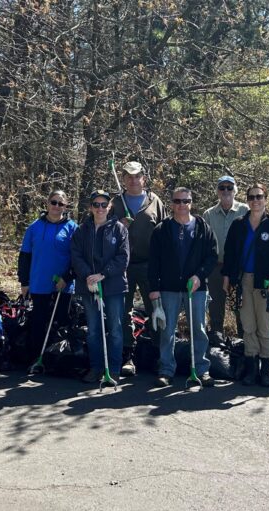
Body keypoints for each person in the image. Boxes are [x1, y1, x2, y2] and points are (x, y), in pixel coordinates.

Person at [149, 186, 218, 387]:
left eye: (186, 201)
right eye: (178, 201)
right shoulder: (161, 230)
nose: (182, 205)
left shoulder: (202, 227)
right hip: (168, 288)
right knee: (167, 331)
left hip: (196, 289)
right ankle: (166, 370)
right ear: (172, 203)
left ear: (191, 203)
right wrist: (154, 289)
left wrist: (199, 276)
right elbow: (154, 262)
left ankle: (202, 369)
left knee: (199, 329)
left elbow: (212, 256)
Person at [222, 183, 269, 387]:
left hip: (265, 283)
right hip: (243, 282)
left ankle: (266, 371)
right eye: (251, 197)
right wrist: (227, 278)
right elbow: (230, 254)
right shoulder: (238, 224)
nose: (255, 201)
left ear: (266, 200)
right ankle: (251, 369)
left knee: (265, 327)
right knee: (248, 326)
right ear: (247, 200)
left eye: (259, 197)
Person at [109, 161, 166, 376]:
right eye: (129, 176)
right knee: (124, 312)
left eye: (137, 176)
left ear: (144, 177)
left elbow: (163, 234)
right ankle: (128, 356)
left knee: (155, 311)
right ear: (123, 178)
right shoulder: (115, 203)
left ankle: (158, 356)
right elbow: (103, 233)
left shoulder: (154, 201)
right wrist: (119, 225)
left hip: (149, 266)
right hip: (122, 266)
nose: (133, 180)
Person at [71, 190, 130, 383]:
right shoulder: (82, 230)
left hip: (113, 286)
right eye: (96, 205)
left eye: (104, 205)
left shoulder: (119, 229)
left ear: (110, 206)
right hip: (88, 286)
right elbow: (76, 255)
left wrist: (103, 275)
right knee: (94, 329)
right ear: (90, 207)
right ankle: (96, 368)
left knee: (115, 329)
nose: (100, 208)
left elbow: (123, 257)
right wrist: (88, 275)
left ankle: (113, 369)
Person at [18, 190, 78, 360]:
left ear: (65, 207)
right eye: (54, 202)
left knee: (61, 321)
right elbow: (25, 256)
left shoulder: (73, 228)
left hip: (63, 285)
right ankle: (36, 358)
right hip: (39, 282)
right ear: (47, 203)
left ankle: (59, 359)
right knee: (38, 321)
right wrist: (24, 281)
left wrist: (67, 278)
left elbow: (77, 259)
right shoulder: (34, 227)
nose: (56, 207)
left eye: (61, 204)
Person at [203, 175, 248, 341]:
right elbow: (205, 244)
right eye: (222, 188)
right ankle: (217, 349)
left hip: (238, 269)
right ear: (217, 191)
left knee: (240, 310)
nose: (226, 191)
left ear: (235, 190)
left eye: (229, 187)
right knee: (215, 311)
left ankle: (243, 348)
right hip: (216, 269)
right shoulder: (208, 214)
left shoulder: (245, 211)